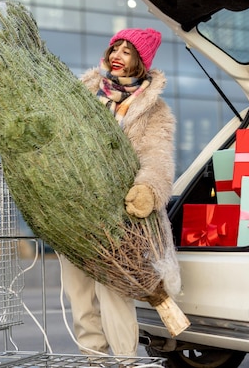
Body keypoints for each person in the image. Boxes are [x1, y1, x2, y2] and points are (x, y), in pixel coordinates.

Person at [59, 28, 177, 356]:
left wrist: (147, 189)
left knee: (114, 292)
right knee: (79, 294)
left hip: (117, 215)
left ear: (141, 61)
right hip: (73, 210)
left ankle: (126, 361)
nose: (118, 55)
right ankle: (94, 360)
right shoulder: (83, 93)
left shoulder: (154, 110)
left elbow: (157, 155)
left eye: (127, 51)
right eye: (115, 48)